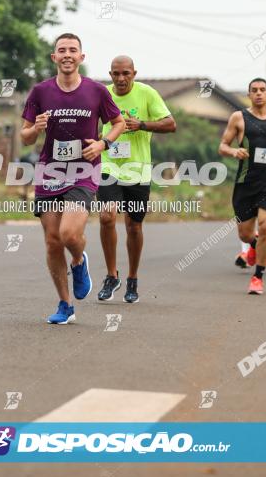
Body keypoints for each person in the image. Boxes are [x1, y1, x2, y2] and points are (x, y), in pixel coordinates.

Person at [21, 33, 125, 324]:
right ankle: (65, 305)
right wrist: (36, 128)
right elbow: (26, 136)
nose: (67, 54)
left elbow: (118, 123)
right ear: (54, 58)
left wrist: (103, 144)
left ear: (81, 57)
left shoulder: (97, 91)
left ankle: (79, 261)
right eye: (61, 50)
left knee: (68, 234)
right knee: (53, 241)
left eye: (73, 50)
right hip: (49, 170)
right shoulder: (40, 92)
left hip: (84, 170)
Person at [96, 55, 176, 303]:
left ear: (134, 73)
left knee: (134, 226)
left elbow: (170, 124)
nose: (121, 78)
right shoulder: (102, 94)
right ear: (110, 75)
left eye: (126, 74)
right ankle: (111, 276)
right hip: (108, 166)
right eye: (116, 74)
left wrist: (141, 124)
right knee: (107, 216)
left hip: (137, 170)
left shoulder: (147, 93)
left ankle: (132, 278)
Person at [219, 77, 266, 295]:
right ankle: (257, 245)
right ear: (249, 95)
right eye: (255, 90)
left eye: (263, 90)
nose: (259, 93)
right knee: (245, 234)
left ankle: (257, 277)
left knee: (265, 225)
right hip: (246, 181)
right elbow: (222, 146)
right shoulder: (238, 118)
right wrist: (234, 151)